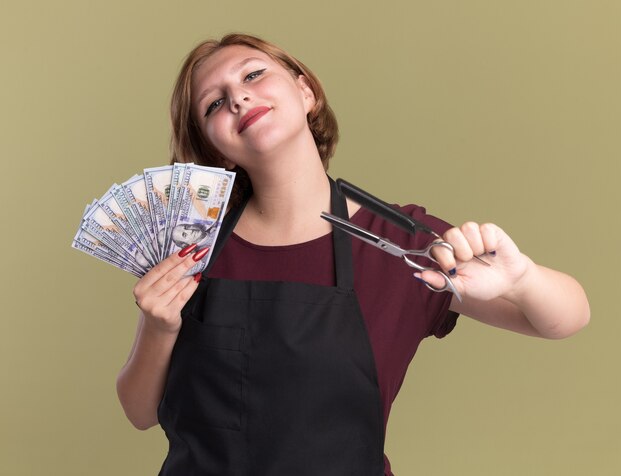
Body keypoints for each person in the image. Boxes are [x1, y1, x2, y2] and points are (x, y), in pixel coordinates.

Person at [116, 33, 590, 476]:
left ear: (306, 94)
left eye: (253, 75)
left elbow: (565, 318)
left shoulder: (400, 244)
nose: (237, 97)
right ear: (219, 152)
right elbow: (139, 412)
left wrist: (521, 278)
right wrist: (159, 326)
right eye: (214, 103)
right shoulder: (192, 246)